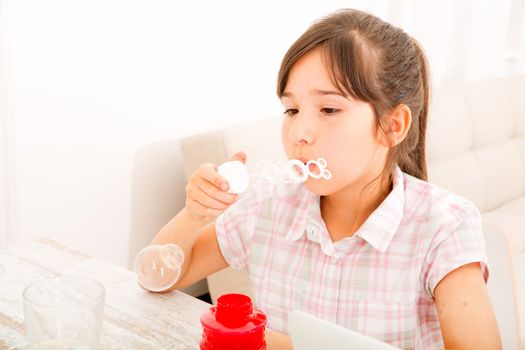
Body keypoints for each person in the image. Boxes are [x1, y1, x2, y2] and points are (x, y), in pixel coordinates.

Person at [150, 8, 502, 350]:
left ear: (392, 126)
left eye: (329, 109)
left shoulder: (443, 226)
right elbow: (161, 276)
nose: (299, 133)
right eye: (291, 109)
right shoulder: (270, 207)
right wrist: (194, 214)